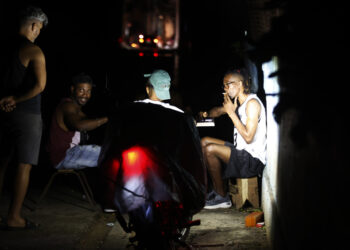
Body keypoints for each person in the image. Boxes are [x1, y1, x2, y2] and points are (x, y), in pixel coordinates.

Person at [0, 6, 48, 230]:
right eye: (39, 28)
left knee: (2, 163)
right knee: (24, 165)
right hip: (27, 113)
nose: (38, 32)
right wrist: (16, 99)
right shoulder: (33, 50)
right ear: (33, 25)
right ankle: (14, 217)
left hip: (3, 111)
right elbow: (40, 85)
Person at [201, 68, 266, 209]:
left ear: (240, 84)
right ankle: (217, 188)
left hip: (252, 161)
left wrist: (231, 113)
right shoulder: (238, 103)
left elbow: (248, 137)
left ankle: (222, 198)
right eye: (224, 85)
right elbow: (217, 112)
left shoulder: (252, 104)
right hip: (241, 153)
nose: (225, 89)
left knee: (210, 150)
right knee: (204, 141)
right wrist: (206, 114)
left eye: (228, 84)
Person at [47, 73, 108, 170]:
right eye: (81, 90)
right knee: (109, 154)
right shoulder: (67, 106)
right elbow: (79, 125)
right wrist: (107, 119)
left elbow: (88, 122)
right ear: (72, 89)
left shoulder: (76, 109)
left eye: (88, 91)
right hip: (62, 156)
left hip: (67, 154)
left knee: (107, 151)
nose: (85, 95)